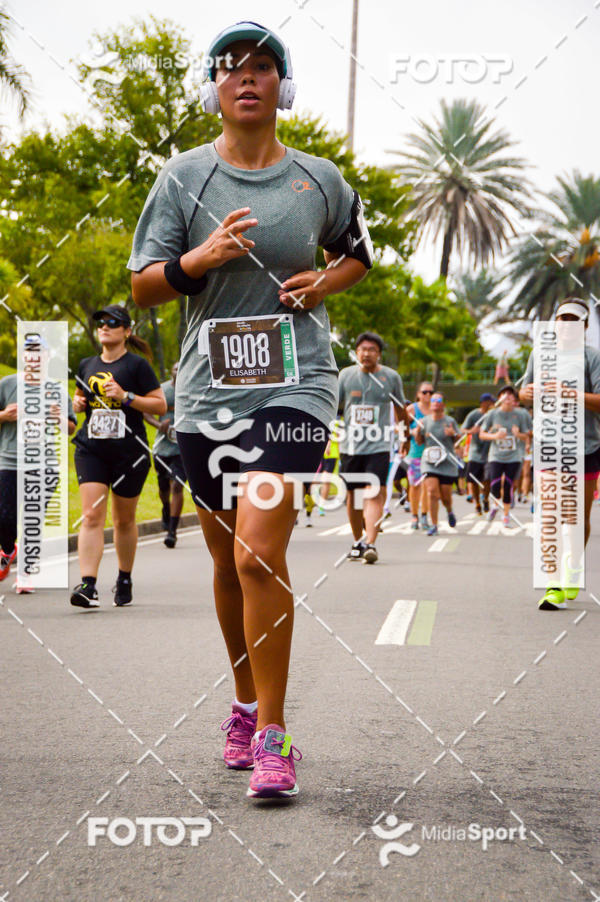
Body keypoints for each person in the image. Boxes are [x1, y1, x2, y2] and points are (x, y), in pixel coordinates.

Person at [128, 21, 371, 799]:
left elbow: (357, 252)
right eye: (232, 68)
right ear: (215, 89)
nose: (248, 78)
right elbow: (142, 283)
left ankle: (273, 735)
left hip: (297, 383)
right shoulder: (183, 179)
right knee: (227, 562)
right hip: (206, 392)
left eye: (263, 67)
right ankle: (240, 705)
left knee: (258, 553)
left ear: (282, 86)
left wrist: (322, 285)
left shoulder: (320, 179)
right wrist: (197, 262)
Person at [70, 305, 166, 609]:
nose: (105, 326)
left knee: (123, 520)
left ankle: (124, 577)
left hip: (129, 452)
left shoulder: (137, 366)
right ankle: (88, 585)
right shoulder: (86, 365)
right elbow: (80, 407)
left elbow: (160, 405)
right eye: (100, 321)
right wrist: (77, 404)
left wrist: (126, 396)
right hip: (92, 449)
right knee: (91, 515)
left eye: (113, 322)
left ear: (126, 331)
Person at [520, 297, 600, 610]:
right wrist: (527, 393)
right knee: (550, 514)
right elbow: (526, 392)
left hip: (585, 446)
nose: (566, 325)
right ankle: (553, 584)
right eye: (562, 319)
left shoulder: (592, 357)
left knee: (575, 518)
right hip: (548, 445)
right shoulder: (540, 354)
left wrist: (573, 394)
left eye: (573, 320)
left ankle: (574, 568)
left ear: (584, 326)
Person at [0, 343, 77, 590]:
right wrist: (4, 416)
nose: (33, 357)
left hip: (44, 464)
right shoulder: (7, 384)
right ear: (23, 356)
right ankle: (7, 550)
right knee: (5, 516)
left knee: (32, 518)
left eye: (38, 353)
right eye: (29, 352)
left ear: (46, 357)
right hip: (9, 461)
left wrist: (58, 417)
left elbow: (71, 428)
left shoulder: (56, 389)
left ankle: (26, 574)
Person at [338, 332, 409, 563]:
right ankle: (358, 540)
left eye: (371, 350)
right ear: (356, 352)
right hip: (350, 445)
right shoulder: (345, 376)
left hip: (379, 444)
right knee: (353, 495)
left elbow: (400, 410)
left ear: (378, 354)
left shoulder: (391, 377)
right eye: (362, 349)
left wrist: (405, 436)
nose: (366, 353)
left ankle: (370, 543)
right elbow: (333, 406)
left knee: (375, 492)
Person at [144, 361, 187, 548]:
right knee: (164, 487)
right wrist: (158, 425)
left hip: (183, 449)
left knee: (178, 486)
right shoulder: (162, 391)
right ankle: (165, 508)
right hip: (163, 448)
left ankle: (172, 531)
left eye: (181, 368)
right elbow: (146, 412)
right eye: (175, 369)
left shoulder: (191, 391)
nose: (178, 372)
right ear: (172, 372)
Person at [479, 385, 531, 527]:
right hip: (496, 455)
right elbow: (482, 434)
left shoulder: (521, 414)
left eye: (510, 394)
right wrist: (495, 435)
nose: (507, 397)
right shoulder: (492, 414)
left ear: (515, 399)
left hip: (514, 455)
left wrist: (517, 434)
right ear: (499, 398)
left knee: (508, 485)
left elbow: (527, 435)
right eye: (504, 394)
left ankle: (506, 515)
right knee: (495, 485)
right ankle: (496, 504)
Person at [415, 393, 460, 536]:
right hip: (429, 461)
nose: (435, 402)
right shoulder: (424, 421)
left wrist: (453, 434)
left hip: (446, 462)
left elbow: (458, 440)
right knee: (432, 492)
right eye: (433, 400)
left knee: (446, 496)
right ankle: (434, 525)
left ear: (443, 405)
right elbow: (420, 442)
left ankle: (449, 510)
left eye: (438, 400)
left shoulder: (450, 421)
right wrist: (417, 431)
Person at [404, 382, 432, 529]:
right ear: (418, 394)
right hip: (415, 453)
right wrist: (413, 432)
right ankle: (414, 516)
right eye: (424, 392)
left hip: (431, 454)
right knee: (415, 486)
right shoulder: (412, 409)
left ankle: (425, 516)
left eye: (430, 392)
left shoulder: (435, 410)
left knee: (428, 486)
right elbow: (399, 427)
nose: (428, 395)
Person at [460, 393, 494, 515]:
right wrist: (471, 431)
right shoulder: (474, 414)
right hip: (475, 452)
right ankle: (477, 504)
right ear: (484, 402)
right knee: (473, 479)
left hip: (489, 452)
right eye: (490, 402)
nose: (493, 404)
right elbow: (463, 429)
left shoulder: (493, 415)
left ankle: (485, 498)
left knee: (487, 478)